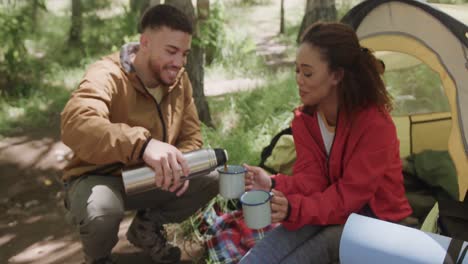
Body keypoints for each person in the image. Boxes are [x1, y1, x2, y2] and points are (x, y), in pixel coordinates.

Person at [240, 22, 412, 263]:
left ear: (337, 75)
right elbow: (313, 180)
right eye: (297, 71)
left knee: (318, 246)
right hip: (334, 208)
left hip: (378, 220)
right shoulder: (306, 121)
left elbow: (348, 199)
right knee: (279, 240)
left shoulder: (375, 125)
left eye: (308, 73)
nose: (299, 80)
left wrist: (294, 209)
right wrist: (270, 182)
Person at [60, 5, 218, 264]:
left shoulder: (179, 79)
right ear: (145, 43)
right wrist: (143, 145)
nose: (179, 62)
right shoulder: (106, 73)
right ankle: (99, 258)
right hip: (99, 177)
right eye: (171, 51)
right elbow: (76, 122)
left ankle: (145, 228)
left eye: (185, 53)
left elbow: (191, 135)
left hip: (150, 177)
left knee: (211, 176)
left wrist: (181, 163)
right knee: (101, 212)